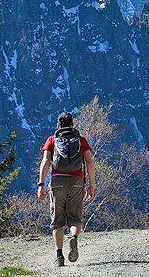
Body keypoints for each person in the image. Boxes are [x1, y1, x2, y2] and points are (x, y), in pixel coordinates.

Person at [37, 112, 96, 267]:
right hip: (76, 181)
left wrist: (41, 184)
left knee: (57, 221)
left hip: (57, 181)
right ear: (72, 125)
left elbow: (45, 162)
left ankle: (59, 257)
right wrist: (91, 185)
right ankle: (74, 238)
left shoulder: (52, 140)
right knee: (75, 218)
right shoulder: (81, 141)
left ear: (58, 126)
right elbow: (89, 162)